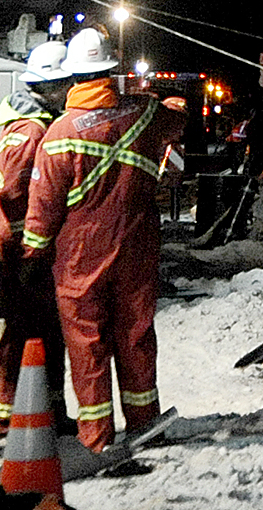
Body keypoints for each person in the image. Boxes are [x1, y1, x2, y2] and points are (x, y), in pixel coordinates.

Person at [20, 24, 184, 452]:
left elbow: (43, 208)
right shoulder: (145, 114)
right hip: (137, 244)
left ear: (72, 78)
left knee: (87, 341)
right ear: (111, 71)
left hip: (80, 254)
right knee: (135, 333)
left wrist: (32, 255)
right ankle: (145, 424)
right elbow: (177, 119)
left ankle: (97, 438)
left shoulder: (58, 135)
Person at [0, 40, 73, 441]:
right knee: (26, 333)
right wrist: (31, 248)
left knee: (46, 334)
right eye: (66, 81)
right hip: (24, 250)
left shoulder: (33, 124)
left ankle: (49, 411)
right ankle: (10, 419)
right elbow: (16, 192)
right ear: (50, 85)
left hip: (30, 247)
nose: (72, 89)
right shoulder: (31, 130)